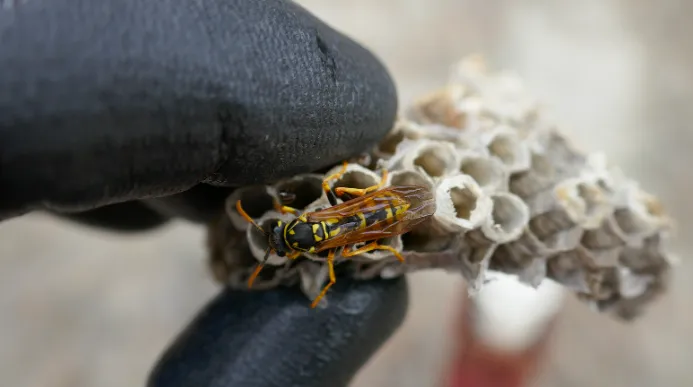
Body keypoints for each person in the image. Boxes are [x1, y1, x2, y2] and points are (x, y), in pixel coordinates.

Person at [0, 0, 408, 386]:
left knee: (354, 232)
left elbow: (330, 248)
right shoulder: (314, 223)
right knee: (358, 222)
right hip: (371, 214)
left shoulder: (308, 231)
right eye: (284, 235)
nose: (286, 232)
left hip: (366, 219)